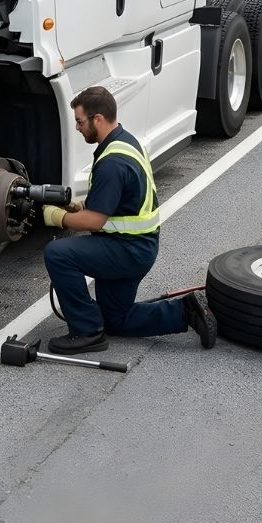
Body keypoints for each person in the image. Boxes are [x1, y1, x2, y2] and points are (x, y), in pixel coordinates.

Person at [41, 85, 218, 355]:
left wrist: (59, 217)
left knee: (57, 254)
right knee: (116, 319)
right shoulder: (125, 141)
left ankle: (87, 332)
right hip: (138, 245)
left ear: (97, 119)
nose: (77, 127)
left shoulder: (112, 162)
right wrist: (81, 206)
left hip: (127, 250)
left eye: (79, 121)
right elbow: (120, 201)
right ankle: (184, 312)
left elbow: (95, 222)